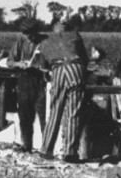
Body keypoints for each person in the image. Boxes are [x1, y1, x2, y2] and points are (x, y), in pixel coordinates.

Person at [38, 22, 90, 163]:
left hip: (58, 70)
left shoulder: (45, 42)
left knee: (55, 111)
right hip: (75, 69)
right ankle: (70, 153)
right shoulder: (75, 35)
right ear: (66, 30)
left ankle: (46, 150)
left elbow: (43, 70)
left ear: (54, 31)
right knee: (74, 112)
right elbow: (85, 58)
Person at [6, 18, 50, 152]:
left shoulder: (45, 41)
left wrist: (44, 66)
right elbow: (10, 61)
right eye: (26, 34)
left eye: (31, 34)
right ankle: (26, 144)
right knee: (25, 114)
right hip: (25, 79)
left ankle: (46, 146)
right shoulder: (21, 40)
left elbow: (52, 60)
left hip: (41, 80)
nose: (29, 37)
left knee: (44, 113)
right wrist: (19, 64)